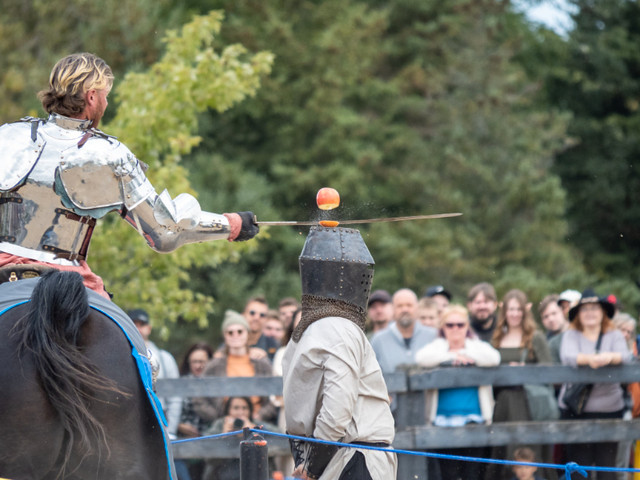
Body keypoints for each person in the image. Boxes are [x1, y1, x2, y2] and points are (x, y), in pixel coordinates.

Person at [0, 53, 258, 299]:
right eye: (105, 96)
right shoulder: (110, 155)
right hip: (65, 279)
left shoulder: (8, 135)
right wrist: (232, 224)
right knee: (131, 344)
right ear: (91, 98)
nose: (107, 103)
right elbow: (164, 234)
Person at [283, 225, 397, 479]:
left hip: (349, 456)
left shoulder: (314, 331)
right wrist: (311, 466)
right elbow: (336, 410)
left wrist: (310, 464)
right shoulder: (337, 328)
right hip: (346, 458)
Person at [415, 304, 500, 480]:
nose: (455, 329)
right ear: (443, 327)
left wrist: (467, 355)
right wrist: (452, 357)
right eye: (450, 325)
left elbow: (494, 358)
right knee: (449, 473)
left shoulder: (475, 345)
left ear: (467, 326)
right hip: (442, 420)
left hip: (474, 419)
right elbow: (421, 358)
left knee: (473, 472)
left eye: (460, 325)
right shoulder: (438, 346)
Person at [558, 290, 632, 480]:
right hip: (577, 411)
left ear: (603, 312)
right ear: (578, 314)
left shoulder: (614, 334)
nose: (590, 313)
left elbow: (625, 356)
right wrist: (590, 360)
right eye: (585, 309)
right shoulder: (571, 335)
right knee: (578, 468)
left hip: (610, 410)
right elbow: (568, 356)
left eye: (594, 308)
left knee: (607, 467)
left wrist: (610, 357)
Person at [486, 289, 555, 480]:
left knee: (528, 450)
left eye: (518, 309)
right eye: (511, 309)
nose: (515, 314)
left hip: (528, 401)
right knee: (502, 451)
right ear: (504, 311)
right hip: (503, 400)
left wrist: (525, 369)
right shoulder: (497, 338)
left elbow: (549, 369)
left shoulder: (535, 337)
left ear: (525, 312)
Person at [193, 310, 277, 425]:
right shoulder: (214, 365)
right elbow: (198, 398)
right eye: (230, 332)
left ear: (247, 333)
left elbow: (275, 397)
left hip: (257, 422)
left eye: (240, 331)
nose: (235, 335)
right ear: (225, 336)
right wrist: (218, 418)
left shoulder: (261, 363)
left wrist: (261, 415)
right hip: (224, 424)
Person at [130, 308, 182, 439]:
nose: (138, 329)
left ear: (149, 328)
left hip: (161, 420)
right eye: (134, 324)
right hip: (131, 421)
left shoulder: (165, 358)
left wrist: (171, 430)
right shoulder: (120, 356)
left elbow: (175, 397)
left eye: (142, 324)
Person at [201, 396, 278, 480]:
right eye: (236, 408)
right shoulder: (220, 424)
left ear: (250, 410)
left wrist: (254, 433)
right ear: (228, 410)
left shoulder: (254, 424)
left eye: (244, 408)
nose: (240, 413)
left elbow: (281, 437)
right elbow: (207, 456)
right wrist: (223, 436)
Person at [371, 288, 438, 374]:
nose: (404, 310)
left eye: (409, 305)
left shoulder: (433, 336)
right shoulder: (378, 340)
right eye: (400, 306)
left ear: (417, 308)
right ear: (393, 309)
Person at [177, 342, 215, 480]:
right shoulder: (180, 383)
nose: (198, 365)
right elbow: (171, 410)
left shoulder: (217, 383)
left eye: (202, 361)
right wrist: (179, 425)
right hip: (184, 440)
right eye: (194, 361)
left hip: (211, 440)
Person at [243, 296, 279, 361]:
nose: (257, 318)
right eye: (252, 313)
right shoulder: (231, 341)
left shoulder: (273, 345)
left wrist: (265, 359)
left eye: (262, 315)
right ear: (243, 314)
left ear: (266, 319)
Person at [538, 294, 569, 364]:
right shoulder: (543, 343)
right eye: (546, 316)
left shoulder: (579, 333)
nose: (551, 319)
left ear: (564, 311)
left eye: (554, 313)